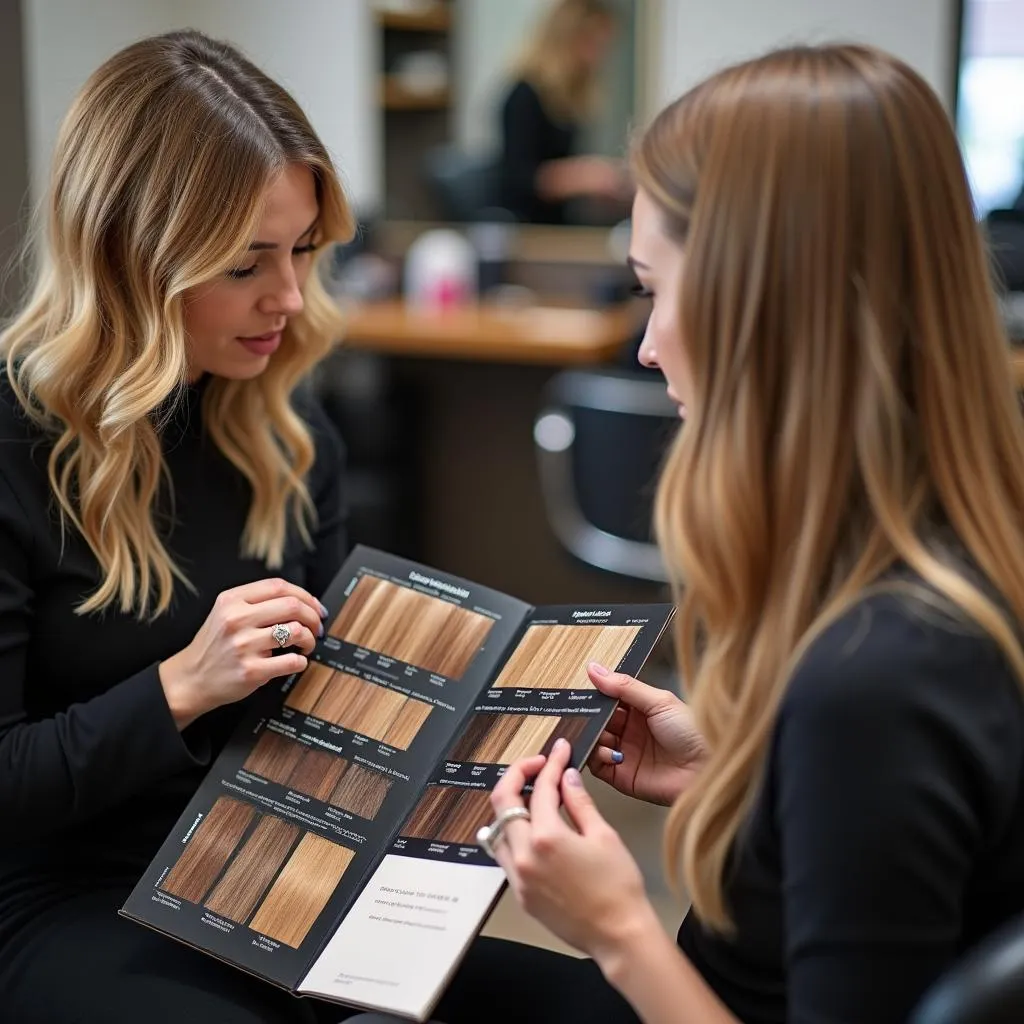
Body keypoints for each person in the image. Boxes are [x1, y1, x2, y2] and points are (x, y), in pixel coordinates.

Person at [427, 42, 1024, 1024]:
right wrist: (746, 780)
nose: (649, 343)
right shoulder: (957, 562)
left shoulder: (871, 679)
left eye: (655, 288)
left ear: (764, 305)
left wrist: (614, 927)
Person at [0, 29, 364, 1024]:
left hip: (262, 870)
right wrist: (181, 687)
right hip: (60, 898)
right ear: (131, 253)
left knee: (588, 998)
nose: (288, 298)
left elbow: (316, 719)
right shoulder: (12, 445)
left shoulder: (290, 436)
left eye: (302, 252)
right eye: (247, 263)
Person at [494, 0, 632, 224]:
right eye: (593, 44)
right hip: (525, 226)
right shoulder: (524, 95)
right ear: (566, 39)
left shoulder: (567, 99)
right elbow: (519, 179)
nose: (598, 56)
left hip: (559, 221)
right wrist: (584, 176)